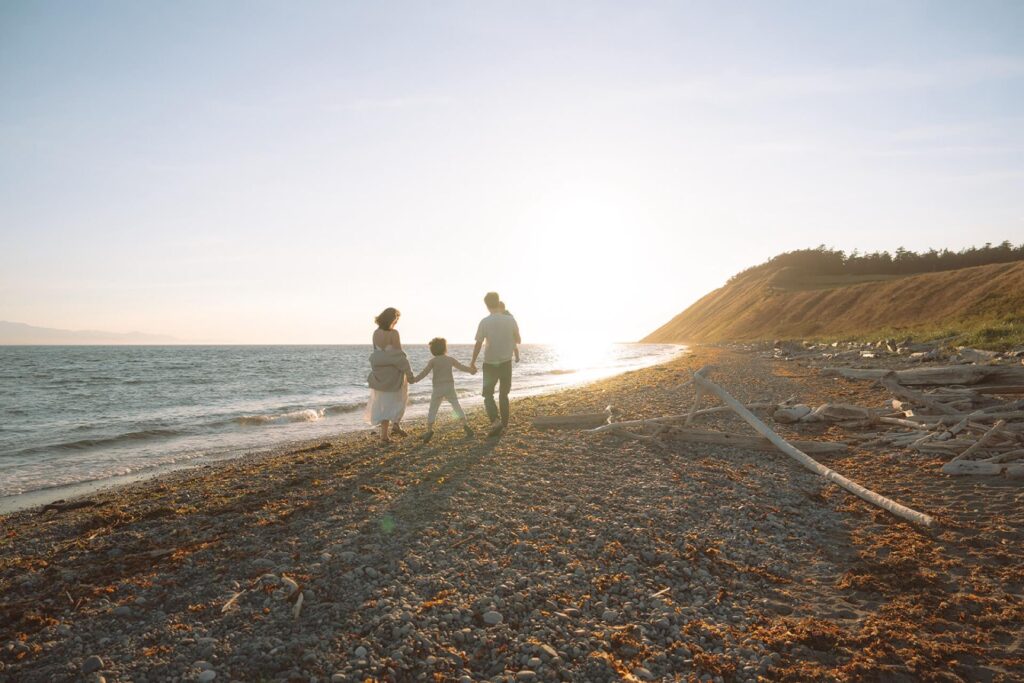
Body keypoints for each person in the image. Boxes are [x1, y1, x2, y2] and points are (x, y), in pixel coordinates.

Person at [469, 292, 521, 437]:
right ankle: (504, 425)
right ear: (498, 302)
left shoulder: (484, 322)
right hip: (506, 363)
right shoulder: (510, 320)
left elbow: (478, 344)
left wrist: (472, 362)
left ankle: (495, 421)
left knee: (488, 395)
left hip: (490, 364)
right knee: (504, 395)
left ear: (486, 305)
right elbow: (518, 339)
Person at [410, 337, 476, 442]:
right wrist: (471, 370)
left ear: (433, 350)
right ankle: (465, 425)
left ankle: (430, 430)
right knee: (456, 405)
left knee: (433, 409)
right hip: (449, 386)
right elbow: (461, 367)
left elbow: (424, 372)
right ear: (445, 348)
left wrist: (414, 380)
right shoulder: (450, 359)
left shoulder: (433, 361)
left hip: (438, 388)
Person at [366, 307, 413, 443]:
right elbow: (398, 354)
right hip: (394, 373)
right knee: (397, 399)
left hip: (381, 373)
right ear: (392, 318)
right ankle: (386, 435)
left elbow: (376, 353)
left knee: (383, 402)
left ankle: (393, 428)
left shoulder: (375, 333)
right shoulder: (394, 333)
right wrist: (409, 373)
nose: (397, 321)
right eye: (396, 318)